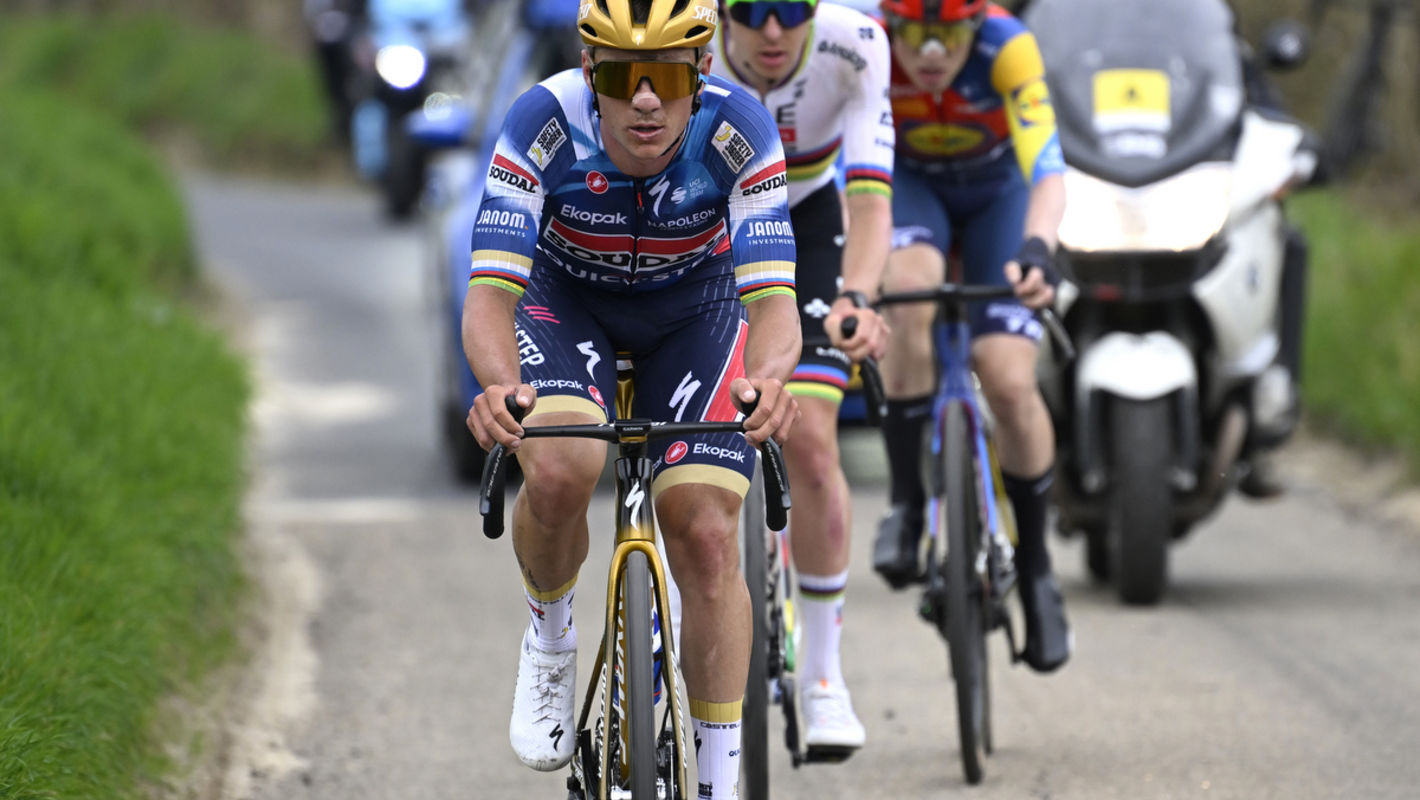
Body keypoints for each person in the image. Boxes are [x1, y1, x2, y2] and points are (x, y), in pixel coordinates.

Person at [460, 1, 801, 796]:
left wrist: (773, 379)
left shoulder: (740, 132)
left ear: (703, 72)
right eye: (621, 76)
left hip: (697, 305)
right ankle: (549, 641)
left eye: (668, 77)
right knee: (558, 468)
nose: (645, 99)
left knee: (710, 531)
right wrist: (498, 386)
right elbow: (489, 298)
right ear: (590, 73)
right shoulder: (540, 123)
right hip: (564, 298)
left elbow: (775, 304)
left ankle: (718, 779)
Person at [708, 0, 894, 759]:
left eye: (792, 6)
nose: (774, 30)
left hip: (805, 217)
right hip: (703, 222)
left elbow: (871, 196)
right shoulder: (682, 43)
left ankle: (823, 675)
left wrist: (857, 295)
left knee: (812, 438)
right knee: (686, 425)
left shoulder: (856, 46)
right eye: (751, 9)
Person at [869, 0, 1071, 672]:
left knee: (1010, 378)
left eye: (948, 34)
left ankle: (1038, 570)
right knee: (910, 291)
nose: (930, 54)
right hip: (910, 186)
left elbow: (1046, 167)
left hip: (998, 196)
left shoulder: (1009, 48)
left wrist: (1039, 248)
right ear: (889, 24)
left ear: (977, 25)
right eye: (915, 34)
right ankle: (904, 500)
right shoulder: (867, 42)